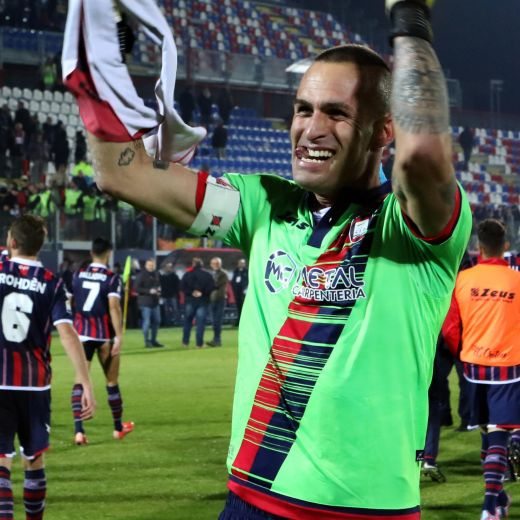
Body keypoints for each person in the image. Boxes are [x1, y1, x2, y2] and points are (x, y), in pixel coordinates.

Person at [70, 0, 472, 516]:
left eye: (337, 113)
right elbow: (122, 175)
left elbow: (421, 159)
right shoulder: (262, 204)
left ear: (383, 131)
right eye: (303, 109)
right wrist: (103, 63)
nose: (312, 129)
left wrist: (409, 19)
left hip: (364, 511)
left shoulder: (413, 229)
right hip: (249, 501)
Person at [0, 215, 95, 520]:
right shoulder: (52, 283)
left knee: (1, 462)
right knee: (34, 460)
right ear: (40, 246)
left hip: (0, 379)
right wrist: (85, 382)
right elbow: (67, 333)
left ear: (11, 241)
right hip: (35, 384)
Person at [443, 219, 519, 520]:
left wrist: (464, 354)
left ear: (479, 247)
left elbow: (450, 327)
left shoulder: (463, 279)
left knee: (488, 434)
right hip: (508, 367)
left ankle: (499, 499)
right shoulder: (516, 280)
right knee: (499, 433)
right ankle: (489, 506)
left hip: (474, 368)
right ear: (505, 246)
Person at [71, 237, 134, 445]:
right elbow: (114, 307)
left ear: (91, 253)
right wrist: (119, 335)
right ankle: (117, 428)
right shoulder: (111, 278)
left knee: (80, 380)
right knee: (112, 381)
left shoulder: (78, 273)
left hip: (81, 334)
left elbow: (70, 300)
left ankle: (79, 432)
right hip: (103, 336)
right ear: (109, 253)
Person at [180, 257, 214, 348]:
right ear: (202, 265)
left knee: (187, 321)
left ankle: (185, 342)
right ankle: (199, 344)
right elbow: (211, 287)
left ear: (193, 264)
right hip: (203, 300)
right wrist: (202, 293)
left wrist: (191, 292)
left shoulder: (187, 274)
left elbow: (182, 287)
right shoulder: (207, 275)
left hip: (190, 300)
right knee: (200, 323)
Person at [135, 258, 164, 348]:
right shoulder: (141, 275)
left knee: (157, 321)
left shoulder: (156, 274)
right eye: (149, 265)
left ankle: (153, 340)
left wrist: (159, 289)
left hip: (155, 302)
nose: (151, 267)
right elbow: (136, 288)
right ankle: (146, 341)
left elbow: (158, 284)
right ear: (146, 265)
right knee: (147, 322)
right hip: (145, 302)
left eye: (152, 265)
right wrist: (149, 291)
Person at [207, 256, 228, 347]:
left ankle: (217, 340)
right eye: (214, 263)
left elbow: (216, 284)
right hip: (212, 299)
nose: (216, 265)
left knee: (217, 320)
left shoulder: (223, 274)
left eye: (217, 263)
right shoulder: (212, 273)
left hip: (220, 299)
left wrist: (208, 285)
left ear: (220, 264)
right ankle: (215, 339)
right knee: (214, 321)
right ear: (211, 265)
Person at [159, 261, 180, 326]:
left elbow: (178, 285)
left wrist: (176, 293)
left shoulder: (174, 276)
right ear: (165, 268)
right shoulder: (162, 276)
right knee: (166, 310)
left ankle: (176, 321)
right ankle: (168, 322)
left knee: (175, 309)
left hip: (172, 295)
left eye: (170, 267)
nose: (169, 268)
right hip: (165, 295)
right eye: (168, 267)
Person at [231, 258, 248, 326]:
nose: (241, 264)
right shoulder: (236, 271)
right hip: (237, 292)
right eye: (240, 263)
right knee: (238, 307)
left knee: (244, 307)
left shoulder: (247, 271)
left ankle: (245, 322)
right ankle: (238, 321)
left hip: (244, 292)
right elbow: (233, 281)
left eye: (242, 263)